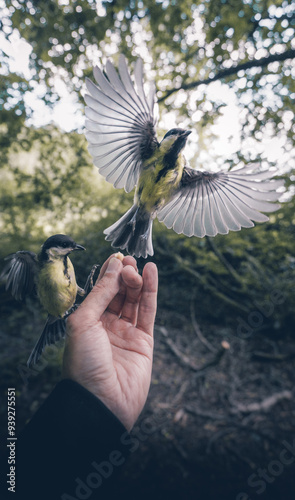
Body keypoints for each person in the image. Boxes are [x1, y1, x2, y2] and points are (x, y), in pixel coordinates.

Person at [1, 254, 158, 500]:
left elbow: (27, 483)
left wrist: (96, 405)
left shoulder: (67, 261)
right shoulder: (40, 264)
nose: (71, 250)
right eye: (65, 247)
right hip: (59, 311)